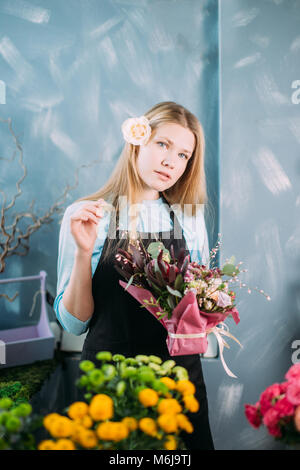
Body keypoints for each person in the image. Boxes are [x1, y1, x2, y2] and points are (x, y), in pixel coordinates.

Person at [54, 101, 215, 450]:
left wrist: (207, 310)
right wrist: (84, 251)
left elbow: (198, 309)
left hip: (179, 385)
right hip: (109, 386)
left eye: (184, 155)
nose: (172, 161)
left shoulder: (188, 218)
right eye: (163, 145)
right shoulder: (86, 216)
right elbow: (74, 323)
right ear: (137, 141)